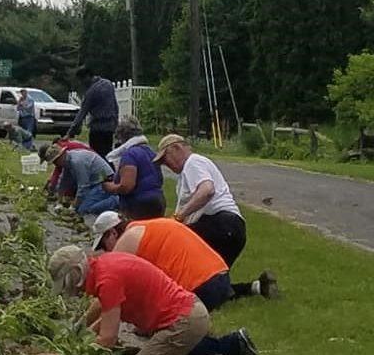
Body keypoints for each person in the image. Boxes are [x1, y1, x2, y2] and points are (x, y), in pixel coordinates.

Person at [37, 246, 236, 355]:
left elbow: (107, 339)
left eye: (67, 283)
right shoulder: (105, 265)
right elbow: (103, 310)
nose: (70, 289)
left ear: (76, 272)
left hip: (183, 322)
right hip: (187, 313)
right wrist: (79, 332)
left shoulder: (108, 280)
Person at [92, 212, 279, 307]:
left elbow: (114, 290)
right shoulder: (149, 226)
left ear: (112, 233)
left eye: (103, 246)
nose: (107, 253)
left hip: (203, 286)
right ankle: (254, 287)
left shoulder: (128, 240)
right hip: (219, 275)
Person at [154, 134, 247, 268]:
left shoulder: (193, 162)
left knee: (180, 254)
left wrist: (178, 216)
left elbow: (207, 190)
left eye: (165, 159)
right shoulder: (189, 169)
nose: (165, 165)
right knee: (212, 278)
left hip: (221, 224)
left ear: (177, 148)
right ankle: (257, 287)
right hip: (232, 227)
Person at [101, 119, 165, 220]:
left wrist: (110, 187)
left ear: (122, 136)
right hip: (158, 200)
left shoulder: (130, 154)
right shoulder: (150, 152)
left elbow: (127, 186)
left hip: (139, 205)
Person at [44, 144, 119, 216]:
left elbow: (83, 186)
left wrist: (73, 206)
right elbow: (63, 181)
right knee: (82, 206)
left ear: (61, 156)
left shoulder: (76, 161)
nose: (55, 164)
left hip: (104, 180)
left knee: (84, 210)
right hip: (94, 181)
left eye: (55, 161)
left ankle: (116, 201)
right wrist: (59, 201)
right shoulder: (68, 161)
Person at [65, 67, 119, 159]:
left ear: (87, 77)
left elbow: (82, 113)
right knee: (107, 154)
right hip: (110, 127)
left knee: (96, 156)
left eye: (81, 80)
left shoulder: (91, 92)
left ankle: (102, 172)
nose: (81, 83)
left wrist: (70, 133)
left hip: (97, 129)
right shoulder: (108, 84)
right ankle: (110, 172)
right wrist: (116, 122)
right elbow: (115, 106)